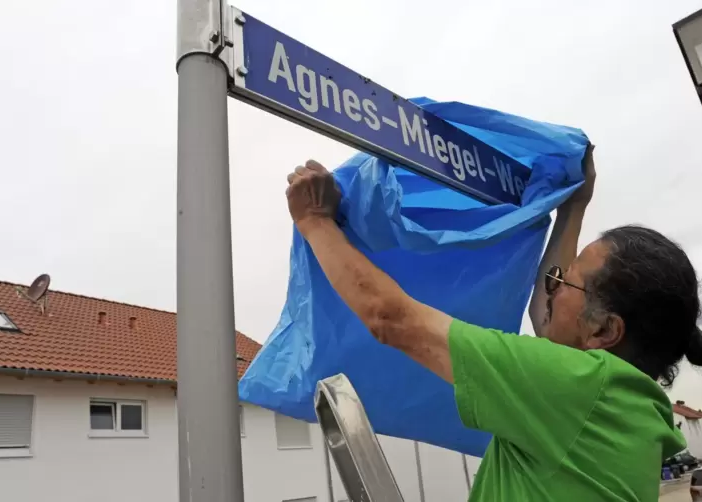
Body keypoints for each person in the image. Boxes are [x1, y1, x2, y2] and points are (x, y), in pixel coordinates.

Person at [285, 147, 702, 501]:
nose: (552, 288)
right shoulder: (628, 408)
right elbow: (547, 314)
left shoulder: (578, 388)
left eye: (565, 281)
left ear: (605, 331)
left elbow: (390, 317)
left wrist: (315, 222)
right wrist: (573, 207)